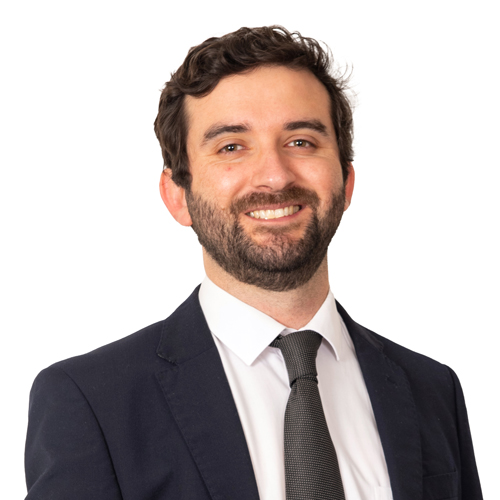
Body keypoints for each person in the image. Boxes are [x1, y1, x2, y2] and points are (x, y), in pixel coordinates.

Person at [25, 26, 482, 500]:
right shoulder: (91, 403)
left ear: (346, 181)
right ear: (177, 195)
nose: (274, 176)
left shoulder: (433, 391)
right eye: (231, 147)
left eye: (301, 141)